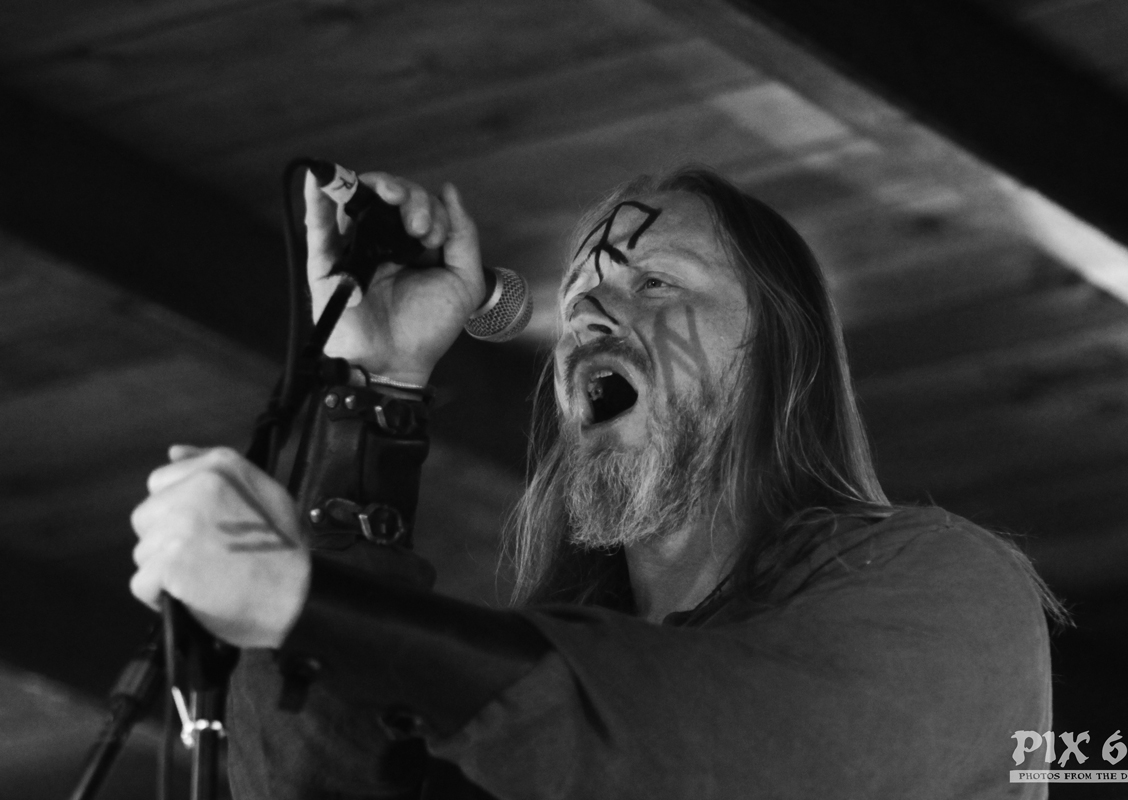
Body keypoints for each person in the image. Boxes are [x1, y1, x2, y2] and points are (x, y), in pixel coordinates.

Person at [130, 166, 1058, 799]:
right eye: (576, 306)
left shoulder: (949, 590)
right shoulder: (537, 715)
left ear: (784, 349)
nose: (594, 318)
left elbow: (722, 753)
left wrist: (296, 597)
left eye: (657, 284)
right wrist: (377, 389)